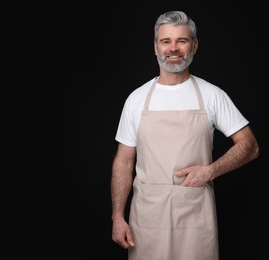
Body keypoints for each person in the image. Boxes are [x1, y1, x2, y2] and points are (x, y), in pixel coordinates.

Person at [111, 10, 259, 260]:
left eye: (182, 40)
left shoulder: (212, 95)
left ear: (194, 46)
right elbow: (124, 161)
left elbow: (250, 146)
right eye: (165, 41)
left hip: (195, 215)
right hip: (147, 218)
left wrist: (210, 171)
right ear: (155, 47)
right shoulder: (136, 100)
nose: (173, 48)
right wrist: (117, 216)